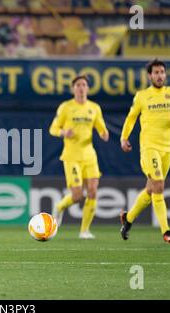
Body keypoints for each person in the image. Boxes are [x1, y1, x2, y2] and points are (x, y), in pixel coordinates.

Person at [119, 59, 170, 243]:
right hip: (149, 148)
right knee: (159, 186)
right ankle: (166, 231)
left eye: (162, 72)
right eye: (156, 72)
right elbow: (131, 118)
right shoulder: (142, 96)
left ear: (165, 75)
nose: (159, 76)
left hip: (168, 149)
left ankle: (128, 218)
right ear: (149, 76)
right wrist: (124, 137)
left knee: (151, 189)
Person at [49, 75, 109, 239]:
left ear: (88, 88)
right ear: (73, 88)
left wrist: (104, 134)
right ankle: (60, 207)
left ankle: (84, 231)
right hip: (72, 156)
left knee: (92, 192)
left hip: (90, 155)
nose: (81, 88)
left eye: (84, 85)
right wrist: (63, 132)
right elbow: (53, 128)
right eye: (78, 85)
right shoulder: (66, 107)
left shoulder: (94, 108)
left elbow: (101, 127)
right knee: (77, 195)